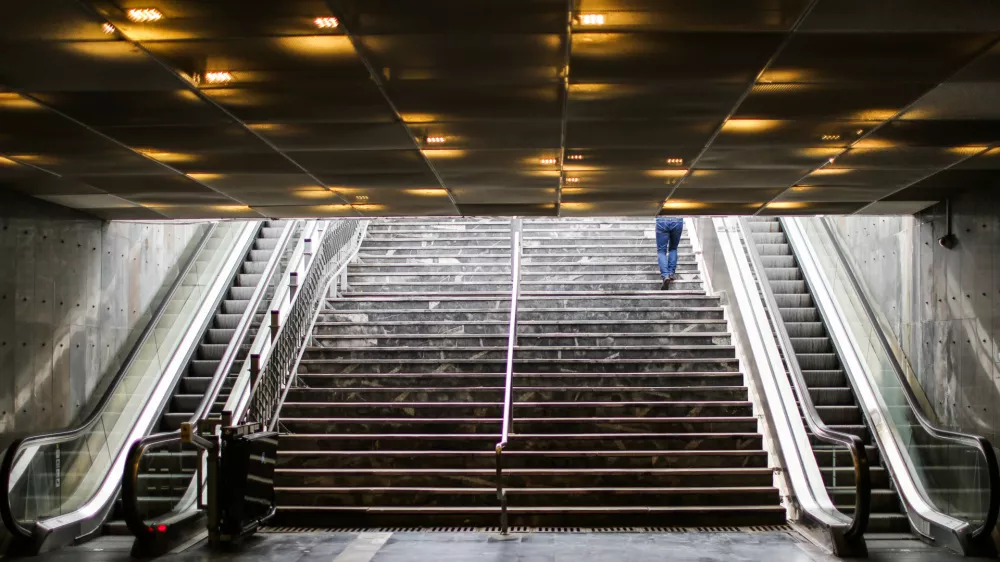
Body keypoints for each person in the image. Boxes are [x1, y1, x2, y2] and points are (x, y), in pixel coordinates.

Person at [655, 216, 684, 290]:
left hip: (662, 220)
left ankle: (665, 275)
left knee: (661, 251)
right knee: (673, 248)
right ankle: (671, 273)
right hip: (677, 220)